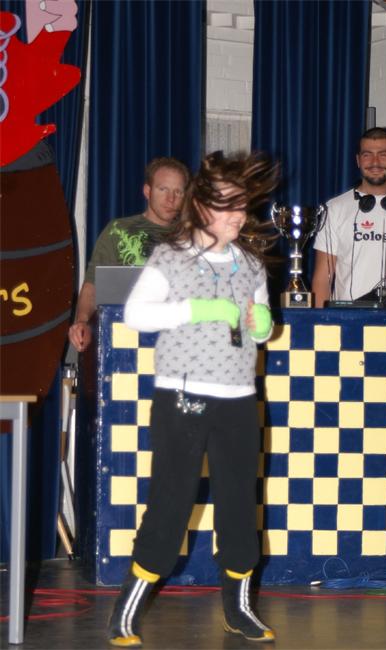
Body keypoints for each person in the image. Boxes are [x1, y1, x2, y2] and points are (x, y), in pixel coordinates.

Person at [108, 151, 279, 647]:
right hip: (182, 396)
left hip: (239, 401)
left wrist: (263, 326)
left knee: (239, 506)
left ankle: (239, 610)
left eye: (243, 206)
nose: (238, 215)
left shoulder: (250, 264)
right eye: (228, 206)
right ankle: (127, 610)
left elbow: (260, 326)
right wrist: (196, 309)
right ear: (202, 206)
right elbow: (136, 315)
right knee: (170, 502)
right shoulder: (172, 256)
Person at [68, 157, 190, 351]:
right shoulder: (118, 230)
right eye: (163, 189)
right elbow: (93, 284)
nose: (171, 199)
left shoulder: (193, 237)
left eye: (178, 192)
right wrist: (82, 322)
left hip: (178, 342)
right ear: (147, 191)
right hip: (124, 338)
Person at [312, 127, 386, 307]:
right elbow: (323, 279)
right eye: (367, 155)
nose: (375, 162)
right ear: (358, 160)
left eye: (383, 154)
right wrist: (322, 320)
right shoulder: (334, 209)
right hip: (349, 319)